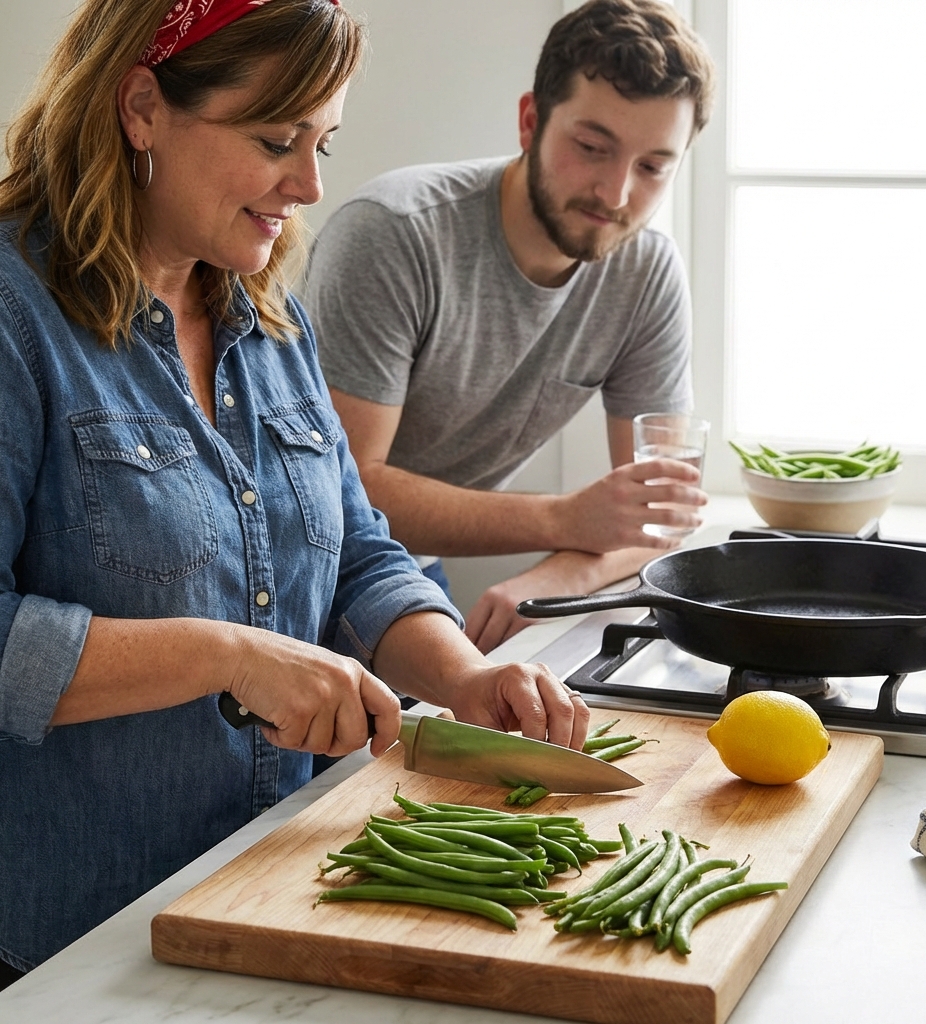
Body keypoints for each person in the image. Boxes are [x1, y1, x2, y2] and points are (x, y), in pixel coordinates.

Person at [0, 0, 588, 985]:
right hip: (72, 947)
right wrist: (224, 654)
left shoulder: (272, 319)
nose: (310, 183)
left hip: (274, 896)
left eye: (324, 140)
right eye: (278, 139)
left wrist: (461, 674)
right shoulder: (17, 319)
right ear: (143, 106)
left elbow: (356, 548)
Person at [305, 0, 716, 655]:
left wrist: (558, 578)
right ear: (531, 121)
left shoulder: (645, 272)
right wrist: (562, 517)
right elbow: (345, 488)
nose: (615, 193)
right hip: (303, 572)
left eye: (652, 167)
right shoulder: (394, 234)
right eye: (592, 148)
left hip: (412, 568)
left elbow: (657, 511)